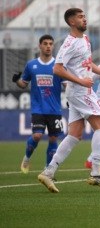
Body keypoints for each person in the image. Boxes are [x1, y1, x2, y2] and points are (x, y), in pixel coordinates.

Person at [37, 8, 100, 193]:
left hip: (78, 92)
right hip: (81, 91)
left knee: (75, 135)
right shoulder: (70, 42)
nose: (85, 19)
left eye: (84, 16)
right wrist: (81, 80)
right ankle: (95, 173)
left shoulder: (85, 40)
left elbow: (87, 64)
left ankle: (48, 172)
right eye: (80, 17)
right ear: (72, 22)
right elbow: (57, 69)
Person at [12, 35, 66, 174]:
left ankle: (48, 169)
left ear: (53, 46)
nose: (48, 46)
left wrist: (71, 97)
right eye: (45, 44)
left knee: (53, 138)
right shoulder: (31, 65)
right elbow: (24, 84)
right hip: (38, 108)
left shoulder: (59, 66)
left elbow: (66, 85)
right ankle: (27, 157)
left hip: (55, 109)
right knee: (37, 136)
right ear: (40, 46)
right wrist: (17, 80)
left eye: (51, 44)